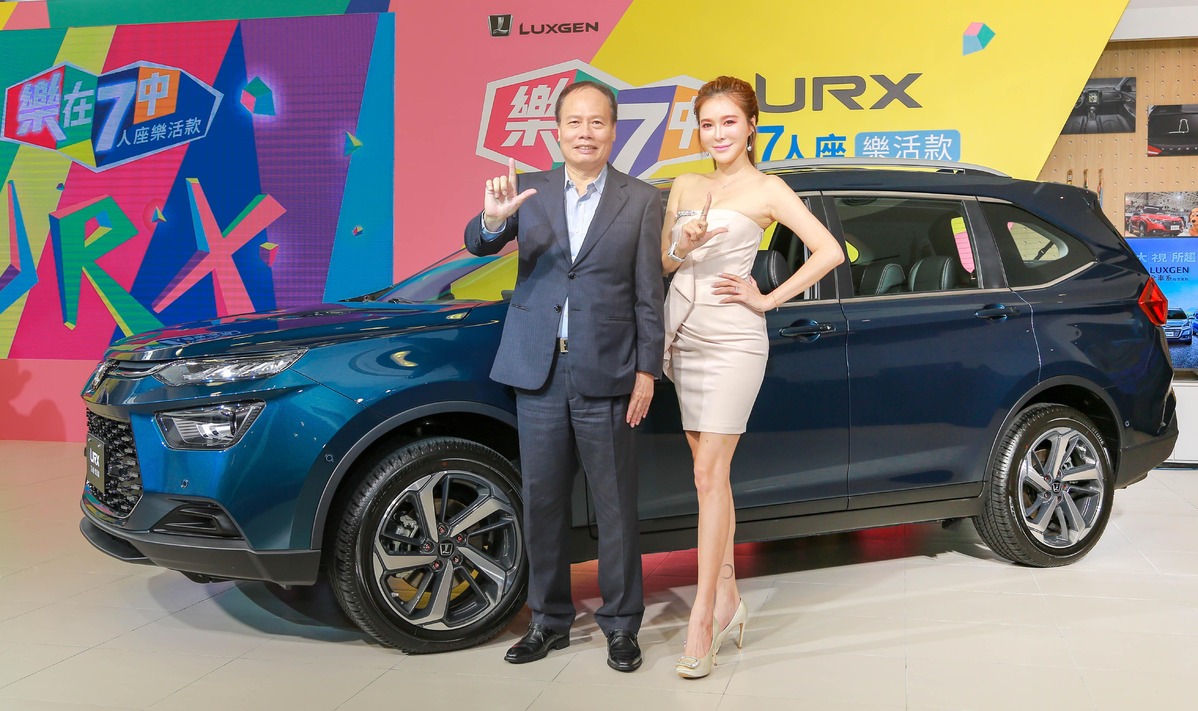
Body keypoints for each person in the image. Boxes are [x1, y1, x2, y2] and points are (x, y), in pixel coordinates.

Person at [464, 81, 665, 673]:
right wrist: (492, 220)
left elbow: (649, 295)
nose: (585, 132)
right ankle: (548, 621)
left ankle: (622, 625)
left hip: (610, 369)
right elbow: (477, 243)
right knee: (543, 502)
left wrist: (647, 370)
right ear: (557, 131)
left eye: (597, 122)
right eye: (574, 122)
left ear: (613, 130)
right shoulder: (529, 190)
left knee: (615, 506)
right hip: (540, 370)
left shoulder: (642, 199)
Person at [660, 75, 844, 678]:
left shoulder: (768, 189)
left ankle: (702, 618)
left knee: (708, 474)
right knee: (709, 477)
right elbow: (663, 260)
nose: (717, 134)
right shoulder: (686, 185)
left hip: (733, 340)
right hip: (681, 335)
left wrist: (767, 299)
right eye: (707, 124)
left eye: (729, 122)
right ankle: (730, 600)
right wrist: (683, 244)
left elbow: (830, 251)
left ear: (751, 126)